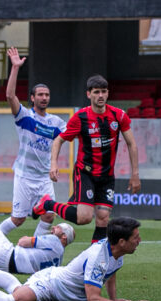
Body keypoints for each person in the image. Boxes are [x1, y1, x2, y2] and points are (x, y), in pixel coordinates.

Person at [0, 217, 155, 301]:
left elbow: (111, 273)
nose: (140, 240)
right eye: (136, 237)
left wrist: (114, 298)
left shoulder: (117, 252)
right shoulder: (99, 254)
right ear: (122, 241)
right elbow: (93, 300)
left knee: (17, 290)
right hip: (51, 283)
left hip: (52, 278)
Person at [33, 75, 141, 243]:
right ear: (88, 94)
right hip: (86, 172)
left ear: (107, 93)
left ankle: (95, 262)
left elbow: (131, 144)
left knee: (103, 218)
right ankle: (47, 204)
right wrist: (53, 164)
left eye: (103, 92)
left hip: (107, 175)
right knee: (84, 218)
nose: (100, 96)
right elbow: (59, 140)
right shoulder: (81, 117)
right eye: (96, 92)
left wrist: (135, 174)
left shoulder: (119, 116)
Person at [0, 47, 66, 237]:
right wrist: (16, 68)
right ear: (33, 98)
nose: (44, 98)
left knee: (49, 216)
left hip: (44, 178)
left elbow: (73, 133)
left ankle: (33, 247)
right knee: (18, 219)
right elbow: (10, 96)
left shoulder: (56, 122)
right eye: (40, 95)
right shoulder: (25, 117)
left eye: (47, 95)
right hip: (25, 176)